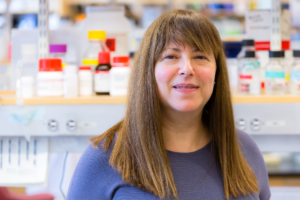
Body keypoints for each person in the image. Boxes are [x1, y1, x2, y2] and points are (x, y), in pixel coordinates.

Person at [67, 9, 271, 200]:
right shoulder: (105, 157)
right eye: (171, 56)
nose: (187, 69)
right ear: (149, 72)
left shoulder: (244, 148)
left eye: (200, 56)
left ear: (217, 72)